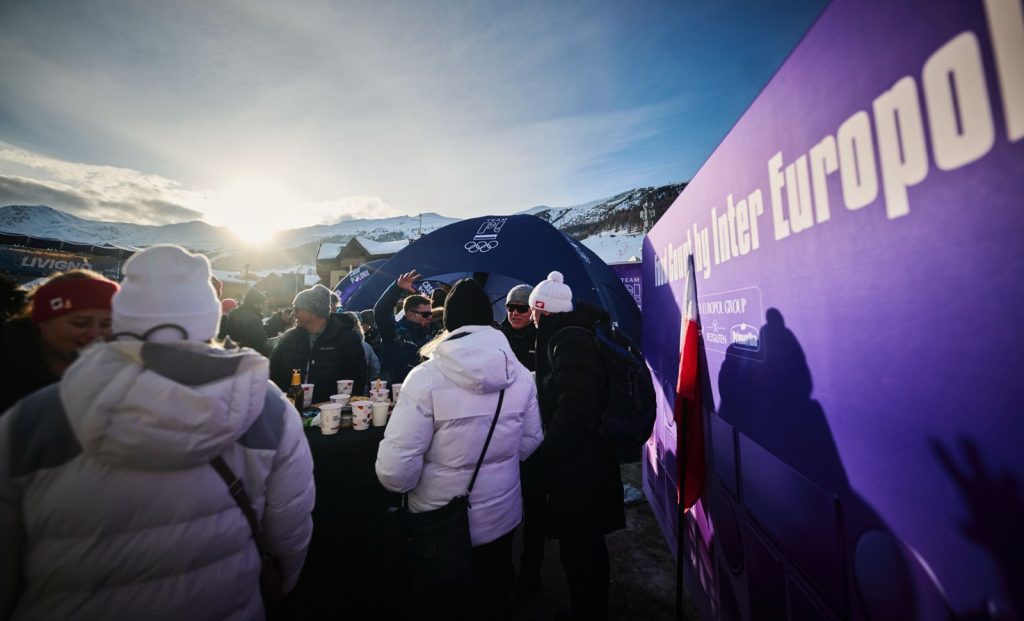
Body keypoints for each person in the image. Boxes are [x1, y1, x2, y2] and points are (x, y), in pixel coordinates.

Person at [0, 245, 315, 620]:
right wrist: (285, 583)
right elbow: (289, 524)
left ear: (123, 319)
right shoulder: (265, 402)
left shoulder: (34, 417)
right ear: (211, 319)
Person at [376, 278, 543, 619]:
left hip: (439, 523)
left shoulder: (424, 377)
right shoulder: (522, 375)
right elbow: (531, 440)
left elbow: (396, 474)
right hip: (502, 517)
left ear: (448, 322)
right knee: (493, 600)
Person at [529, 270, 625, 621]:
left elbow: (577, 406)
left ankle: (589, 612)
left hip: (582, 466)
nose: (531, 316)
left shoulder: (568, 340)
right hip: (585, 460)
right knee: (584, 546)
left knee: (581, 548)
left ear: (542, 310)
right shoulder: (570, 334)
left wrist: (548, 453)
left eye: (533, 309)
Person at [0, 270, 118, 414]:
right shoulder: (7, 369)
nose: (95, 334)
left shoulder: (121, 374)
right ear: (43, 321)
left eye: (106, 324)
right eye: (80, 323)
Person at [270, 284, 367, 404]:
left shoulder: (346, 338)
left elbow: (357, 376)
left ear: (313, 312)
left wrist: (347, 407)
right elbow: (273, 373)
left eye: (297, 309)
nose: (293, 314)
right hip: (292, 408)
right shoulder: (288, 338)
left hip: (332, 409)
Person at [372, 270, 435, 384]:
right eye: (426, 314)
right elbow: (381, 312)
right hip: (394, 389)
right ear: (410, 314)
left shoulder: (432, 333)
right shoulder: (395, 331)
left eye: (431, 313)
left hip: (422, 388)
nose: (430, 317)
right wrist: (396, 288)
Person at [221, 287, 270, 355]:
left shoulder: (232, 313)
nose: (264, 306)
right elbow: (260, 345)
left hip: (228, 355)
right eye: (263, 303)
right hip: (246, 357)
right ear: (256, 304)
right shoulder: (255, 320)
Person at [499, 284, 536, 372]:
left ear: (533, 310)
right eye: (510, 308)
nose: (515, 313)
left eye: (522, 308)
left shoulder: (543, 337)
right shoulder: (496, 336)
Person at [343, 311, 381, 394]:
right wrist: (370, 385)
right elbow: (376, 370)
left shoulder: (334, 345)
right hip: (362, 390)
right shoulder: (366, 346)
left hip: (339, 391)